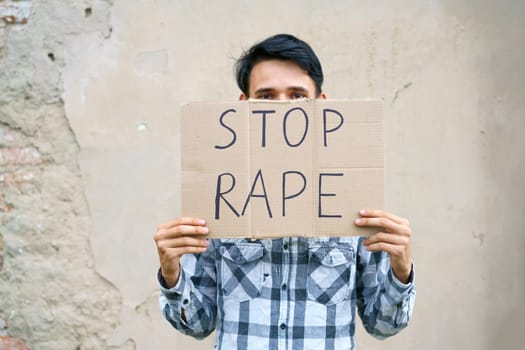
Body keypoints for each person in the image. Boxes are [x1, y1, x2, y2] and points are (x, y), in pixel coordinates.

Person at [154, 33, 415, 349]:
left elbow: (382, 326)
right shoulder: (220, 196)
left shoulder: (351, 198)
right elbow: (197, 325)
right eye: (265, 96)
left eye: (297, 96)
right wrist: (171, 275)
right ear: (243, 107)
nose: (282, 110)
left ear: (321, 105)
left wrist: (401, 271)